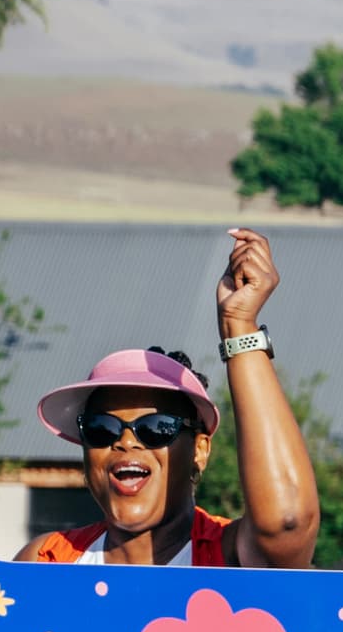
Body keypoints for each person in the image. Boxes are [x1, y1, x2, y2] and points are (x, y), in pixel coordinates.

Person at [21, 229, 319, 572]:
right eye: (101, 428)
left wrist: (238, 325)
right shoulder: (47, 562)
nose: (126, 442)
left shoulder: (229, 558)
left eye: (156, 428)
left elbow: (288, 521)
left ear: (200, 450)